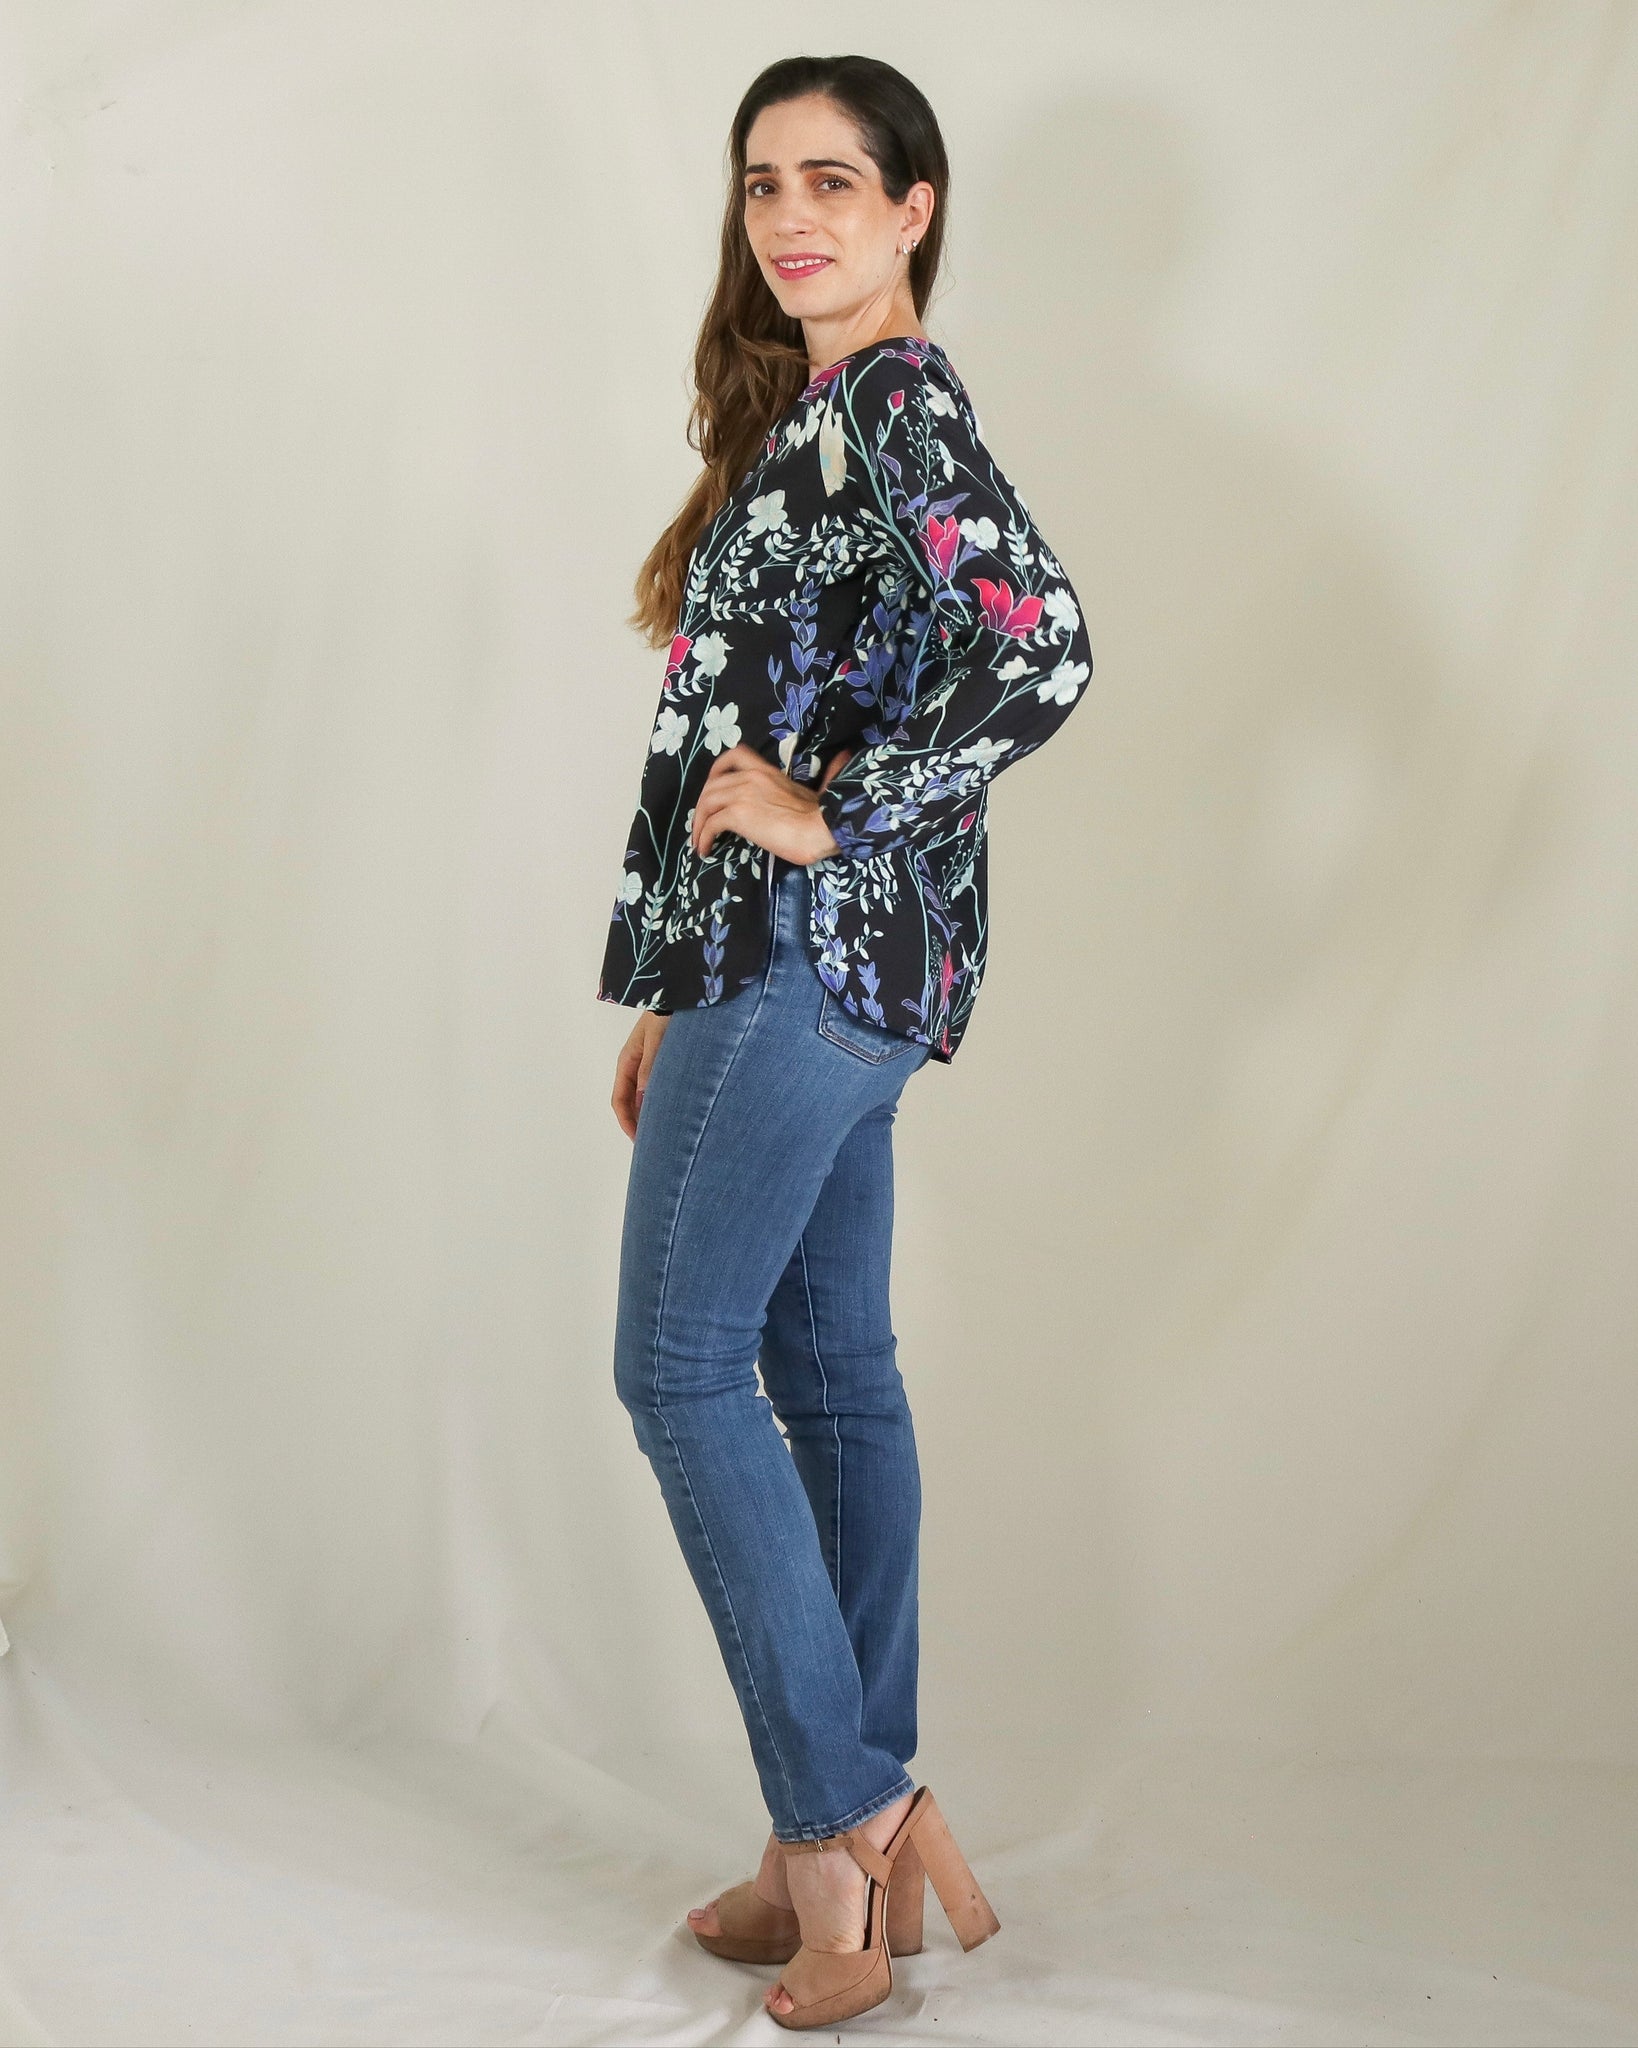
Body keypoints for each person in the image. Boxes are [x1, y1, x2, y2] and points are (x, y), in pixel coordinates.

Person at [596, 53, 1094, 2031]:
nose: (790, 216)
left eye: (832, 180)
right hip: (822, 973)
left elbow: (1043, 642)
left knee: (676, 1367)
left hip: (811, 956)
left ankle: (838, 1821)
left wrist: (838, 815)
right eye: (761, 184)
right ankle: (864, 1821)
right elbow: (739, 731)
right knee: (826, 1374)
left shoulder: (894, 407)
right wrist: (670, 980)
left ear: (914, 210)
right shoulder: (813, 421)